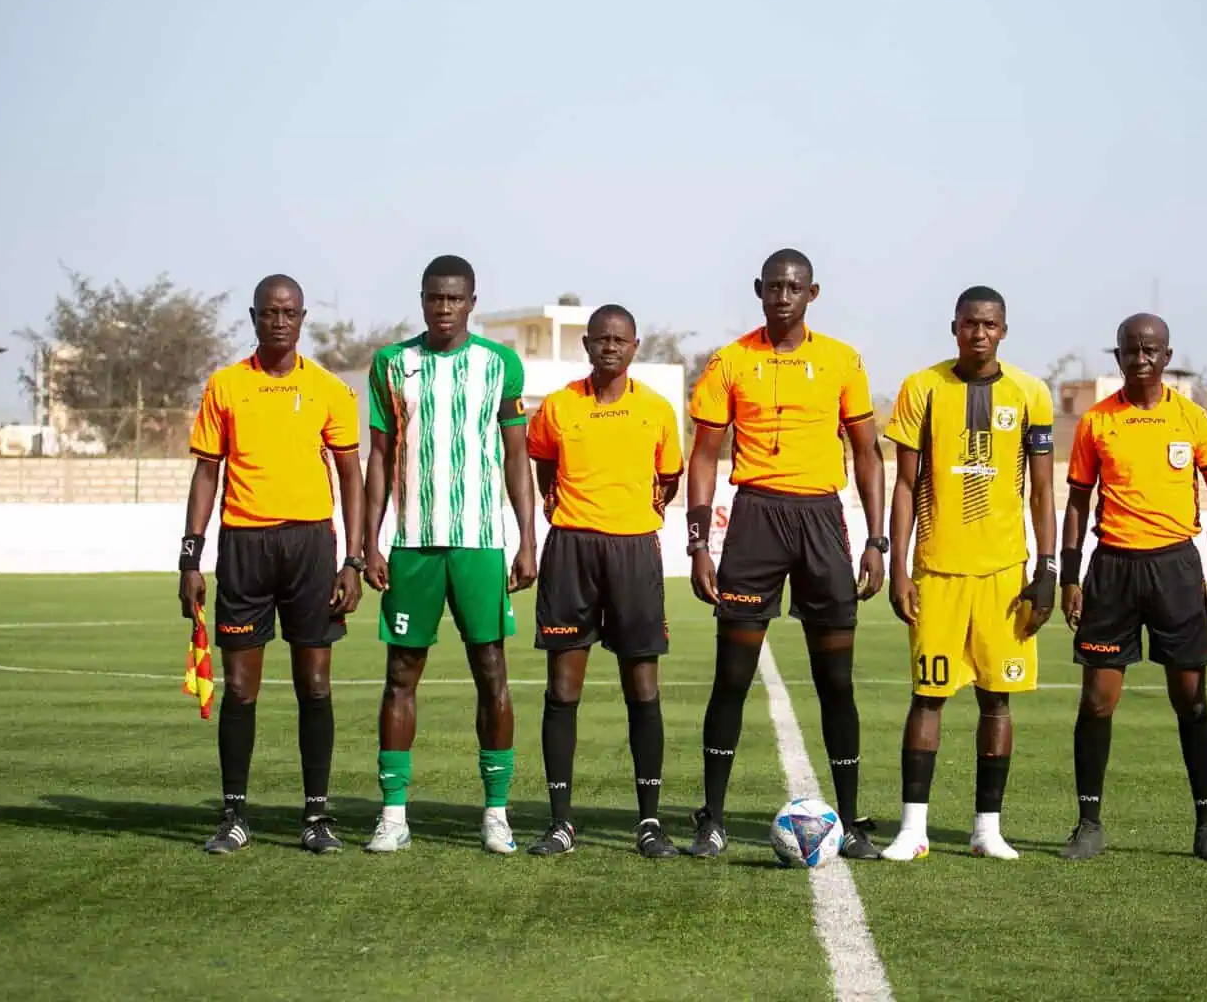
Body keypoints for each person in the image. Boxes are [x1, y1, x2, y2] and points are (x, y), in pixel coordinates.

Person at [685, 247, 887, 860]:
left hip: (822, 520)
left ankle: (850, 821)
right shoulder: (730, 361)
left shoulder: (842, 360)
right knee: (731, 678)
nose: (782, 296)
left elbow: (868, 454)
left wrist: (876, 540)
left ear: (812, 293)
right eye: (773, 286)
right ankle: (713, 819)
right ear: (759, 289)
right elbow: (703, 456)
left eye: (794, 287)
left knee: (836, 682)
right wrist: (699, 543)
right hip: (755, 521)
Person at [179, 273, 365, 856]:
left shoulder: (330, 389)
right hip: (244, 547)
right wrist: (190, 556)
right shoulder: (226, 386)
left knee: (315, 683)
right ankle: (234, 815)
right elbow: (206, 472)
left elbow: (351, 475)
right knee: (239, 688)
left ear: (302, 318)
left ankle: (316, 817)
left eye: (288, 312)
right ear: (254, 317)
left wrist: (353, 559)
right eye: (269, 312)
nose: (279, 321)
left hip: (311, 547)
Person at [360, 254, 538, 855]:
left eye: (455, 298)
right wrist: (369, 542)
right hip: (412, 543)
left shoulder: (499, 364)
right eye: (435, 298)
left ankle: (496, 813)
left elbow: (517, 456)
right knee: (400, 675)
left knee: (492, 672)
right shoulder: (391, 364)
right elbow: (380, 456)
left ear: (471, 303)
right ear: (422, 300)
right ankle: (393, 814)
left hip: (480, 543)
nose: (444, 308)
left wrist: (526, 539)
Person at [878, 286, 1058, 862]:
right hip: (937, 572)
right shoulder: (922, 388)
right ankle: (913, 830)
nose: (979, 333)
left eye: (989, 325)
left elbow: (1043, 490)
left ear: (1003, 329)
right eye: (969, 324)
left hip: (1005, 574)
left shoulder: (1030, 393)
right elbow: (904, 485)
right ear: (953, 327)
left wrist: (1047, 567)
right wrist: (899, 567)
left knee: (996, 700)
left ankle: (987, 830)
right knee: (927, 697)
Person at [1058, 312, 1207, 863]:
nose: (1141, 358)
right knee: (1097, 701)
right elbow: (1077, 503)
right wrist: (1070, 575)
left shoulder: (1194, 420)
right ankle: (1088, 823)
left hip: (1176, 570)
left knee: (1191, 700)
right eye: (1131, 350)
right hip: (1112, 569)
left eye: (1151, 350)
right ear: (1118, 357)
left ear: (1167, 356)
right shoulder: (1096, 422)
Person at [522, 304, 684, 859]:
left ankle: (649, 822)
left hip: (634, 551)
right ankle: (560, 822)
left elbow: (668, 478)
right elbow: (543, 464)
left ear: (635, 346)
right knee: (563, 688)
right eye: (601, 339)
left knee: (643, 688)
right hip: (571, 550)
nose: (610, 347)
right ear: (587, 345)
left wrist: (631, 514)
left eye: (620, 339)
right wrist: (565, 508)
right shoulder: (559, 406)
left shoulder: (657, 409)